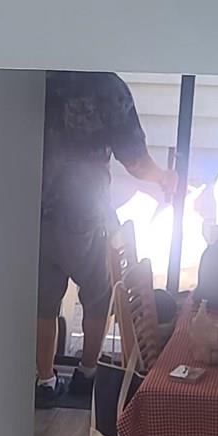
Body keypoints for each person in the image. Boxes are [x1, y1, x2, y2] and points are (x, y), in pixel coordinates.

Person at [37, 70, 182, 408]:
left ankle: (44, 381)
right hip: (85, 211)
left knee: (43, 301)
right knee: (98, 294)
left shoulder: (40, 77)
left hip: (36, 206)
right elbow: (135, 159)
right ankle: (87, 373)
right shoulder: (107, 86)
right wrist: (163, 177)